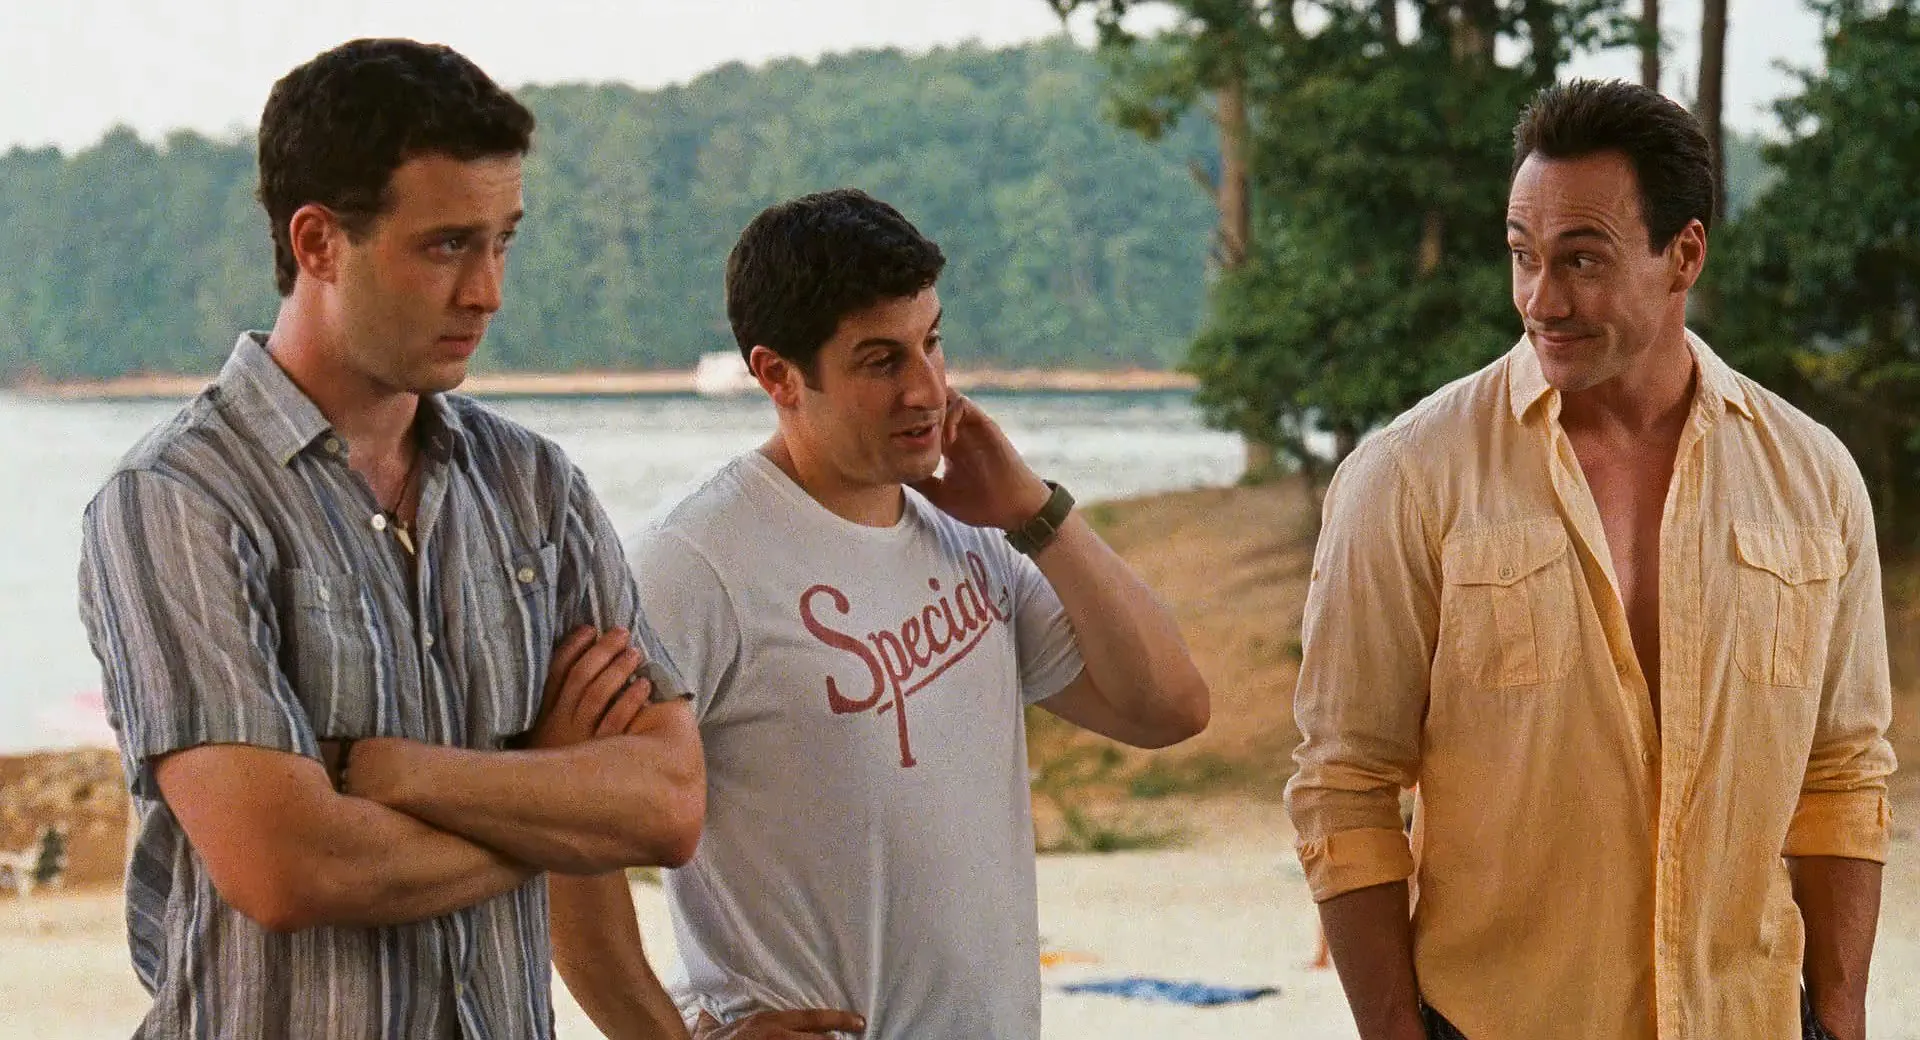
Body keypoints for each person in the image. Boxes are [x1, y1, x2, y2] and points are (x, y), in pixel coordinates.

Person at [76, 39, 703, 1039]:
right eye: (447, 245)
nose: (488, 290)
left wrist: (403, 774)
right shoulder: (177, 500)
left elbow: (667, 804)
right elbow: (289, 868)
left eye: (502, 242)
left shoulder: (536, 488)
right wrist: (551, 795)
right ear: (319, 242)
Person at [1285, 79, 1896, 1040]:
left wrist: (1844, 1018)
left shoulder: (1812, 478)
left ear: (1683, 253)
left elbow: (1843, 776)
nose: (1542, 299)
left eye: (1581, 259)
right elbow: (1344, 783)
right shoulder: (1407, 477)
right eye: (1522, 255)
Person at [544, 188, 1212, 1039]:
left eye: (932, 342)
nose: (927, 389)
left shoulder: (966, 531)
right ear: (778, 375)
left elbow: (1168, 709)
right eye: (881, 361)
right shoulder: (690, 566)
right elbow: (567, 840)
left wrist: (1035, 513)